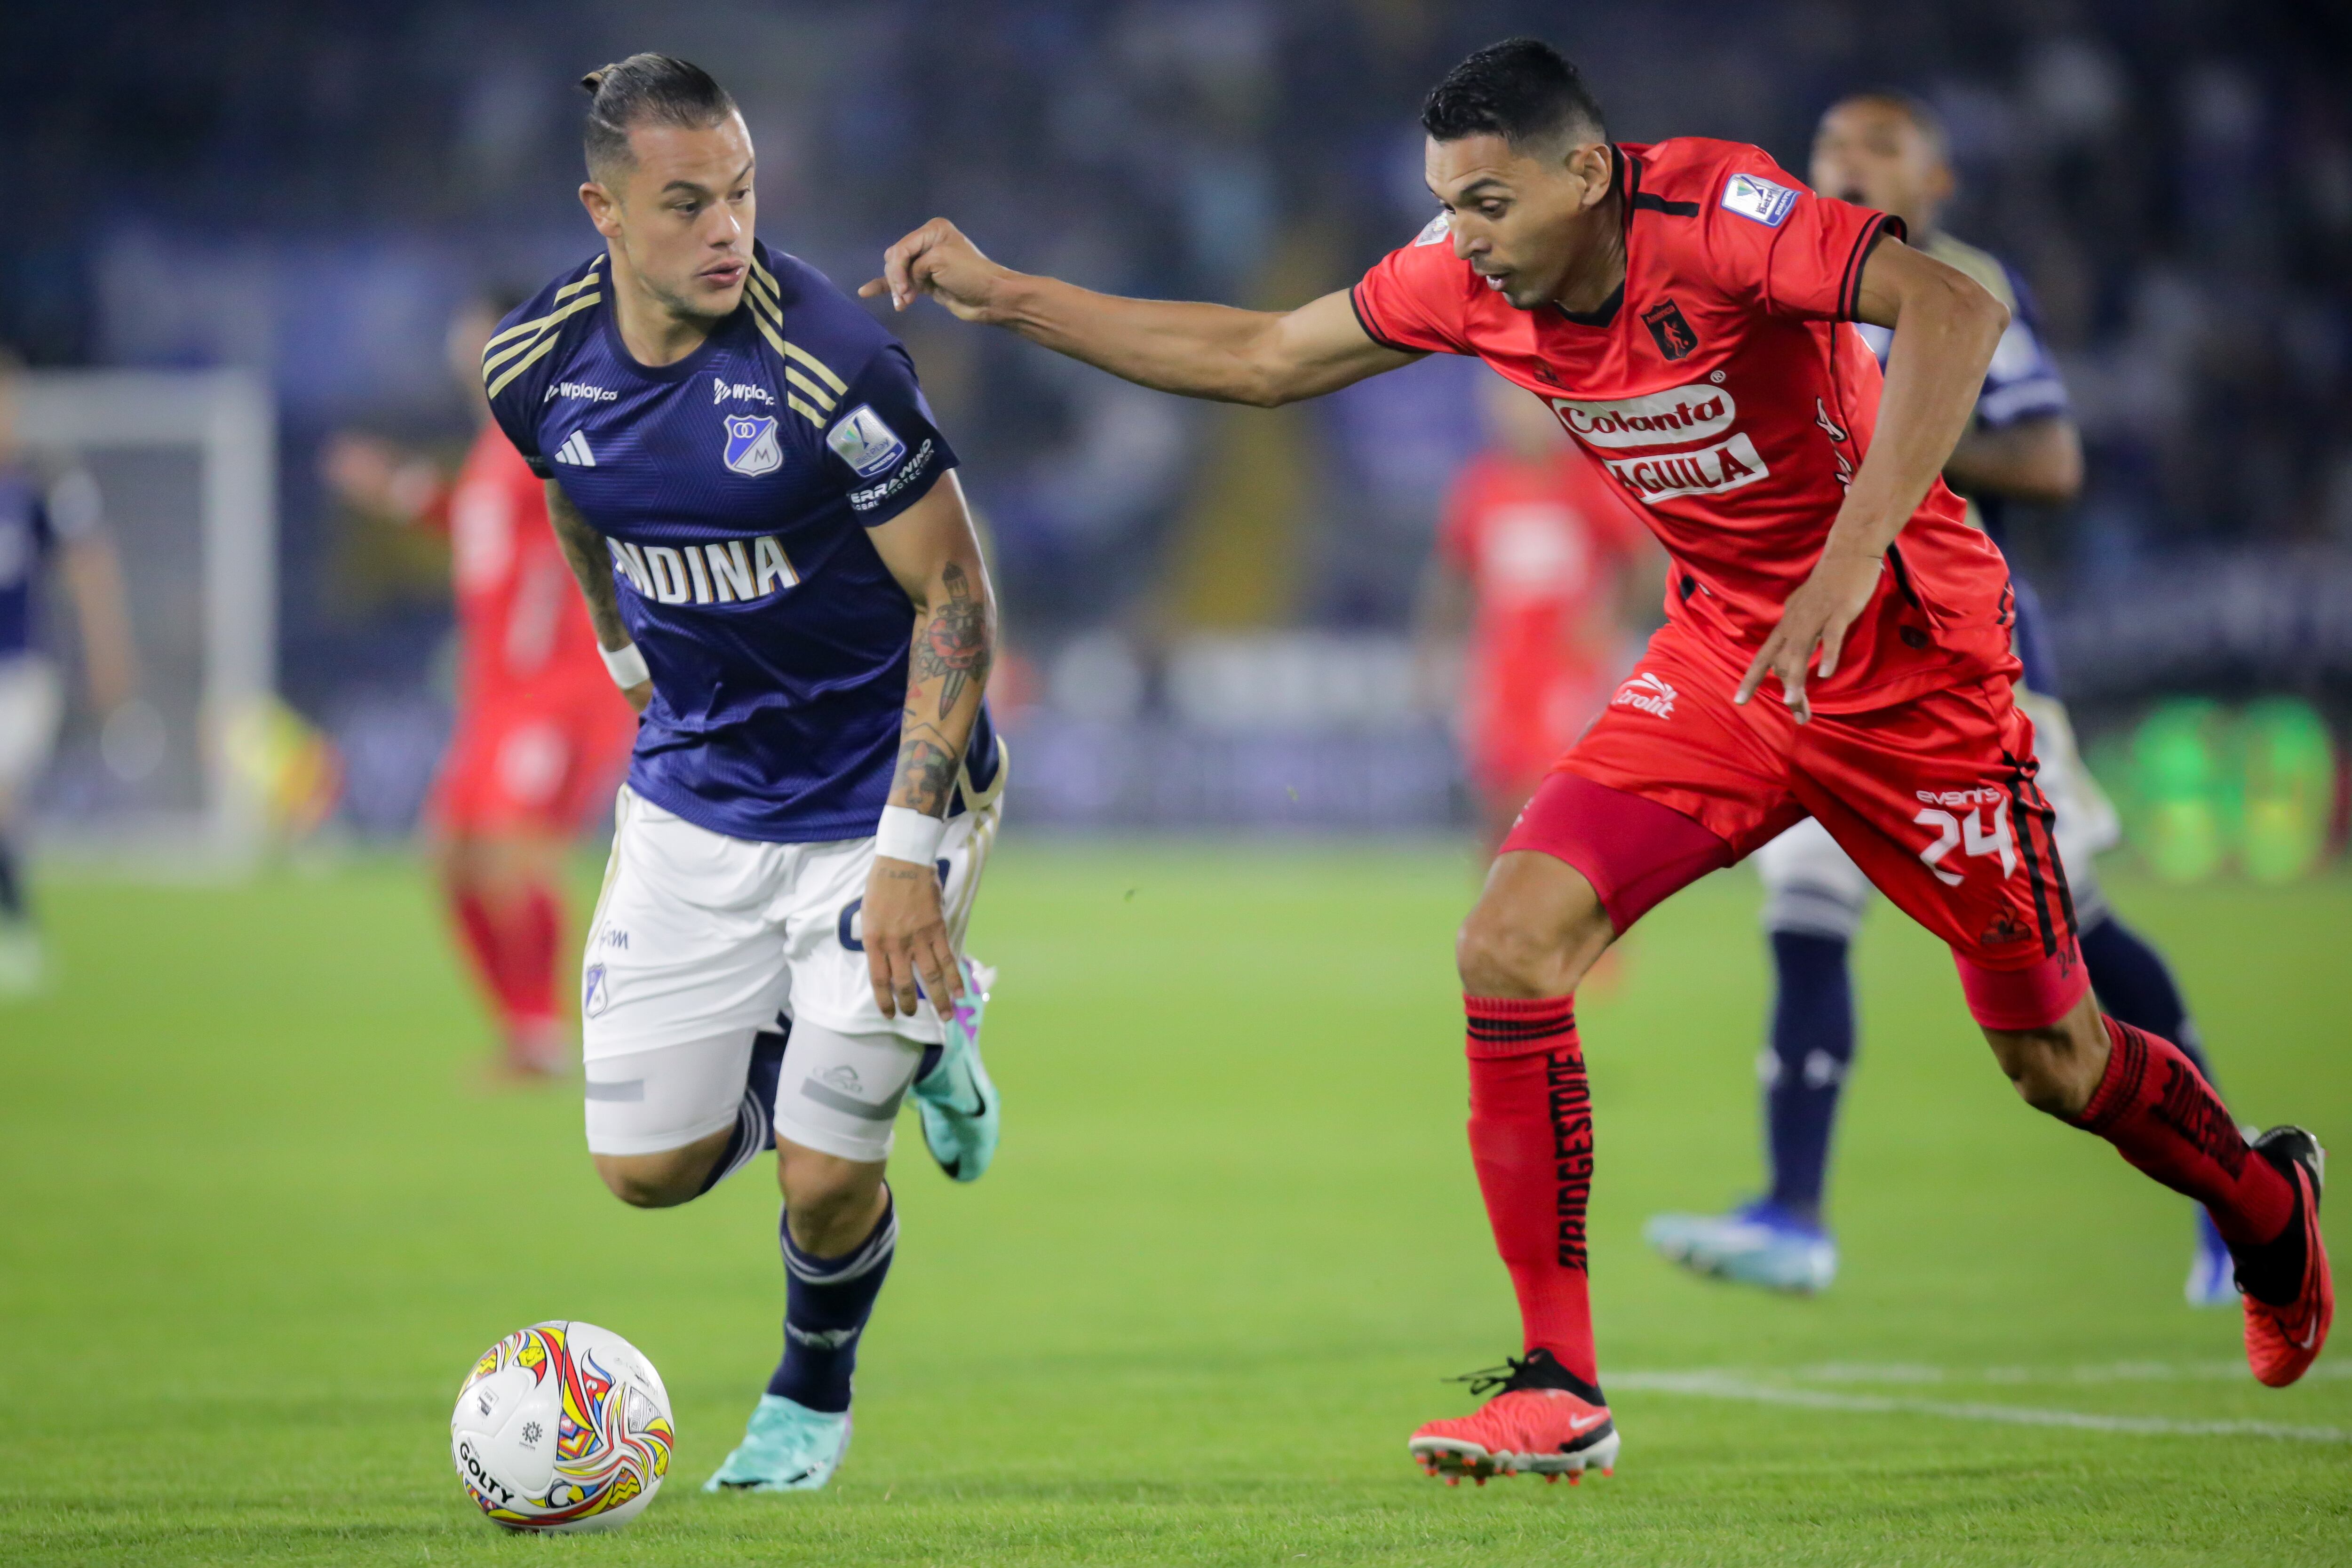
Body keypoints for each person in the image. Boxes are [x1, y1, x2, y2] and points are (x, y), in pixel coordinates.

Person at [864, 37, 2331, 1482]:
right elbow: (1259, 353)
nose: (1459, 238)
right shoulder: (1467, 282)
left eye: (1485, 204)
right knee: (1506, 942)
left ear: (1587, 173)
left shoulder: (1720, 219)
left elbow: (1946, 307)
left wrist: (1850, 551)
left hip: (1913, 673)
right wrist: (1009, 299)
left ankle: (2264, 1205)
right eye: (1445, 204)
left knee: (2052, 1060)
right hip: (1723, 669)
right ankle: (1558, 1383)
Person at [485, 55, 1007, 1493]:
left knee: (828, 1172)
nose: (728, 231)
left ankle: (806, 1398)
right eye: (685, 203)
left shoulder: (829, 360)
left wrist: (909, 847)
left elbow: (956, 598)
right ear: (603, 211)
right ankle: (896, 1032)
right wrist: (614, 649)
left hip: (872, 799)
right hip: (692, 799)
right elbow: (571, 485)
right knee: (645, 1172)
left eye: (743, 193)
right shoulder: (529, 367)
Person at [1644, 90, 2241, 1306]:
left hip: (1973, 669)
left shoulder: (1960, 284)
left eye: (1880, 156)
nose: (1850, 173)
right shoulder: (1779, 276)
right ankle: (1794, 1211)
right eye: (1830, 155)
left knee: (2073, 925)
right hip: (1818, 661)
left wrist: (1895, 429)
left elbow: (2054, 458)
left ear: (1938, 183)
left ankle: (2236, 1201)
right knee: (1805, 908)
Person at [323, 299, 639, 1076]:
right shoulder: (494, 453)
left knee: (513, 848)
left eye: (486, 336)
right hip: (496, 698)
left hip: (559, 690)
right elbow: (472, 520)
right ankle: (524, 1030)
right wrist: (396, 489)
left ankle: (550, 1036)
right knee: (451, 854)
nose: (469, 352)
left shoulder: (559, 431)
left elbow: (622, 502)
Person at [1417, 371, 1656, 857]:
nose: (1518, 417)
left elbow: (1641, 561)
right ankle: (1501, 921)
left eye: (1528, 404)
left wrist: (1607, 623)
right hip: (1501, 669)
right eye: (1507, 405)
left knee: (1556, 795)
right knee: (1496, 806)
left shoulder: (1584, 482)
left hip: (1566, 668)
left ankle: (1590, 921)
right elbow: (1451, 575)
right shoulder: (1481, 484)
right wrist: (1432, 654)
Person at [0, 348, 141, 994]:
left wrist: (107, 656)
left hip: (22, 674)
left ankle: (20, 933)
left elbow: (91, 569)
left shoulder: (45, 481)